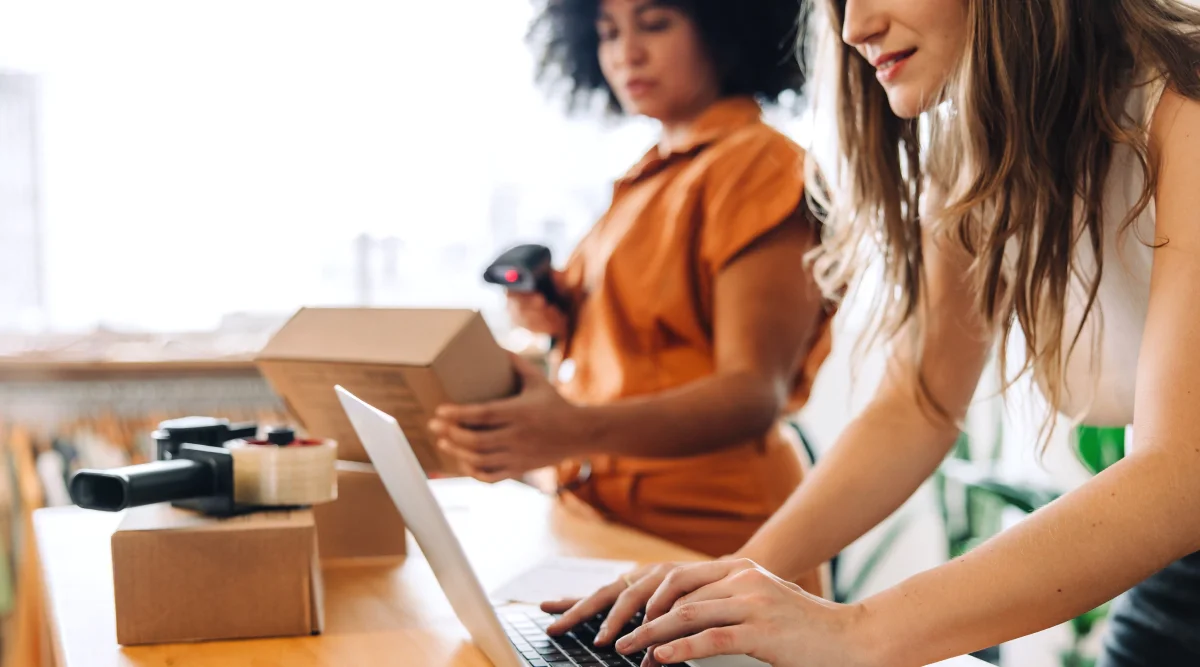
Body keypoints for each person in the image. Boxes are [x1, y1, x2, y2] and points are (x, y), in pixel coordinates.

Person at [541, 0, 1200, 664]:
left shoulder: (1186, 102)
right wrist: (724, 582)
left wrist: (857, 630)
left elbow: (1183, 473)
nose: (854, 29)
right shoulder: (972, 154)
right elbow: (919, 403)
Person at [429, 0, 833, 590]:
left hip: (713, 540)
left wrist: (570, 429)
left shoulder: (762, 165)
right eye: (608, 34)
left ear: (724, 32)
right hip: (600, 524)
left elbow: (753, 394)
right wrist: (563, 318)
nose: (626, 54)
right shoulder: (646, 177)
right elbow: (645, 343)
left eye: (655, 24)